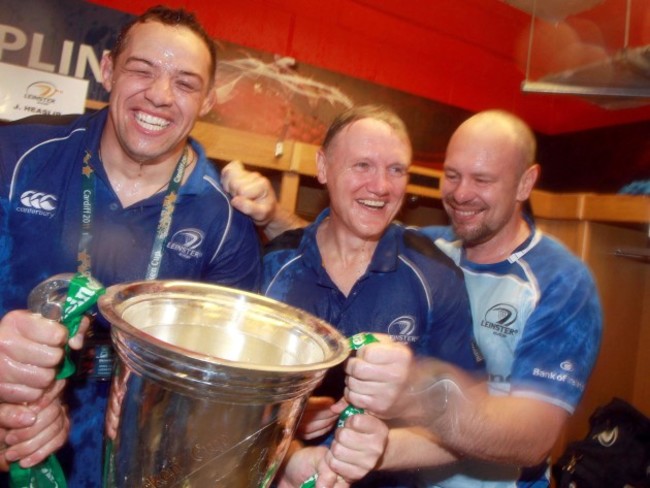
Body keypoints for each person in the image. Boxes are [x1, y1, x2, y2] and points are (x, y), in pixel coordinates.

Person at [222, 109, 603, 487]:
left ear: (524, 184)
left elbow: (533, 441)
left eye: (483, 179)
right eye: (452, 176)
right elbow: (343, 236)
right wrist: (271, 217)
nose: (462, 193)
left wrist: (410, 400)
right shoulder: (437, 245)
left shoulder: (560, 282)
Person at [0, 6, 261, 486]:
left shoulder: (228, 227)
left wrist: (163, 417)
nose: (160, 96)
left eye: (185, 83)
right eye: (142, 70)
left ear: (206, 101)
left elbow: (228, 396)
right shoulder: (15, 160)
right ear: (106, 72)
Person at [225, 105, 484, 487]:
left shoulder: (436, 277)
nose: (381, 186)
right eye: (362, 165)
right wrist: (290, 455)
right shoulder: (271, 267)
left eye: (396, 169)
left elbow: (473, 425)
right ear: (324, 167)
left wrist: (383, 448)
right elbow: (229, 404)